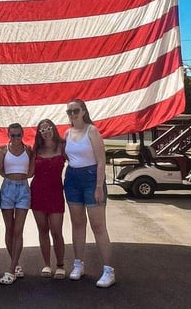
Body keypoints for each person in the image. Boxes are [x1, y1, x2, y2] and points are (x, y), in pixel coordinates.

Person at [63, 98, 115, 288]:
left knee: (98, 226)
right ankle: (78, 264)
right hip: (72, 178)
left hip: (91, 178)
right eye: (69, 112)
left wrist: (99, 186)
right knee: (77, 224)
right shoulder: (67, 133)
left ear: (83, 111)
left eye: (75, 110)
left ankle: (108, 270)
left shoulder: (92, 131)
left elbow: (101, 160)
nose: (72, 115)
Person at [0, 123, 35, 285]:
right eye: (12, 135)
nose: (16, 138)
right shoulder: (3, 149)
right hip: (7, 188)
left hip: (23, 189)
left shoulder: (28, 150)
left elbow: (32, 171)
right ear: (8, 135)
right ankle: (16, 263)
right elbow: (1, 170)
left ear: (22, 134)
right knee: (10, 228)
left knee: (18, 230)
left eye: (18, 135)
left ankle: (11, 270)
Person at [30, 119, 66, 279]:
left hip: (56, 193)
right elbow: (29, 172)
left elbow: (78, 159)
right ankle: (47, 264)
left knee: (56, 231)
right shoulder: (36, 150)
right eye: (42, 130)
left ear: (54, 128)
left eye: (48, 128)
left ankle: (60, 265)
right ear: (39, 133)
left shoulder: (63, 146)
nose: (46, 131)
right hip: (37, 193)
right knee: (43, 230)